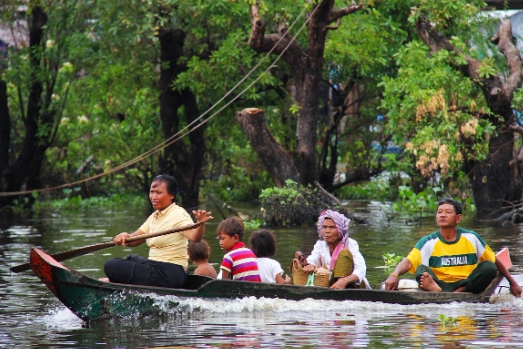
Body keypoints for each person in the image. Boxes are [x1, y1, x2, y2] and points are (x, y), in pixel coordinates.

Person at [384, 198, 522, 297]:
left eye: (448, 212)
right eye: (439, 212)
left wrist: (513, 283)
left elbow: (495, 261)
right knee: (421, 269)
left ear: (458, 218)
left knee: (489, 267)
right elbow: (408, 261)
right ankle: (440, 291)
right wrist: (394, 275)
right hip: (438, 283)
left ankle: (452, 294)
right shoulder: (428, 241)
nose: (442, 215)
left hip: (466, 284)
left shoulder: (471, 237)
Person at [101, 174, 213, 288]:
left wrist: (201, 224)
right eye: (152, 192)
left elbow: (195, 237)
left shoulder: (179, 214)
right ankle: (117, 280)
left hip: (170, 273)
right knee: (131, 258)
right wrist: (124, 236)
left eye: (158, 192)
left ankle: (113, 281)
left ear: (172, 195)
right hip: (155, 267)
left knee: (110, 265)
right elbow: (134, 239)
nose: (153, 196)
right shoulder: (154, 216)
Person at [303, 209, 370, 289]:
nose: (327, 231)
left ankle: (340, 283)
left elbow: (361, 269)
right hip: (329, 283)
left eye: (332, 227)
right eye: (324, 227)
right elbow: (312, 259)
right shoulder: (320, 245)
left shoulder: (350, 244)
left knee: (344, 254)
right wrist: (309, 265)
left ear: (340, 229)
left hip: (351, 284)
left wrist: (345, 280)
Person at [217, 216, 261, 282]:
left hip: (240, 290)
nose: (220, 243)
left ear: (235, 238)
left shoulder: (228, 257)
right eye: (219, 239)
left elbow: (223, 284)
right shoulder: (252, 253)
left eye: (223, 238)